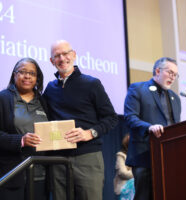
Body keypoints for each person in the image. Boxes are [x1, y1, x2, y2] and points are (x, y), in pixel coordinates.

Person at [43, 40, 119, 200]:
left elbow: (111, 118)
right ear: (52, 61)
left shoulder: (91, 84)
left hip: (87, 158)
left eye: (65, 54)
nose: (62, 59)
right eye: (57, 56)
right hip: (58, 161)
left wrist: (90, 133)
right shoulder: (50, 89)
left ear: (74, 55)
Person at [0, 57, 48, 200]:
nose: (27, 76)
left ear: (37, 78)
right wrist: (21, 140)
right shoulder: (1, 99)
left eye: (32, 73)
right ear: (14, 75)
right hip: (10, 177)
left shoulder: (43, 101)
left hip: (39, 177)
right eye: (22, 72)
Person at [124, 57, 181, 200]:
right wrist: (149, 127)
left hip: (168, 157)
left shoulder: (175, 98)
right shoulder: (137, 89)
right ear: (157, 71)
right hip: (144, 155)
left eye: (175, 75)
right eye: (170, 73)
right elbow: (130, 117)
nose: (173, 77)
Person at [113, 134, 134, 200]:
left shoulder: (138, 155)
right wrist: (137, 173)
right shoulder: (121, 155)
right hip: (125, 186)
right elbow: (123, 173)